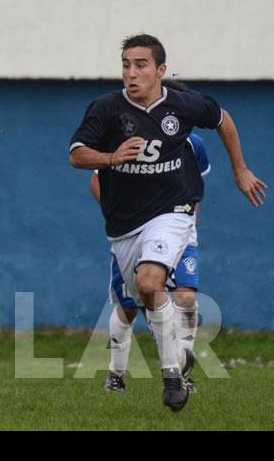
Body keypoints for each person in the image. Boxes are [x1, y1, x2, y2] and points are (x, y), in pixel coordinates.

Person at [69, 34, 267, 412]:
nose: (132, 73)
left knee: (151, 282)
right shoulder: (106, 109)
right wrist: (111, 157)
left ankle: (172, 373)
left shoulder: (184, 106)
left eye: (141, 65)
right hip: (125, 227)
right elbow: (76, 155)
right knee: (140, 297)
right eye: (126, 64)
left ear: (160, 70)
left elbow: (224, 119)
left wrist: (240, 170)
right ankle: (165, 360)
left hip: (173, 213)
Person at [92, 80, 209, 393]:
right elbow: (95, 179)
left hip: (177, 231)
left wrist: (186, 224)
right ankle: (116, 374)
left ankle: (180, 372)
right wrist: (118, 212)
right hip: (132, 229)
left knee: (185, 297)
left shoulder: (194, 144)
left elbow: (195, 188)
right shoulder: (129, 134)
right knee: (130, 305)